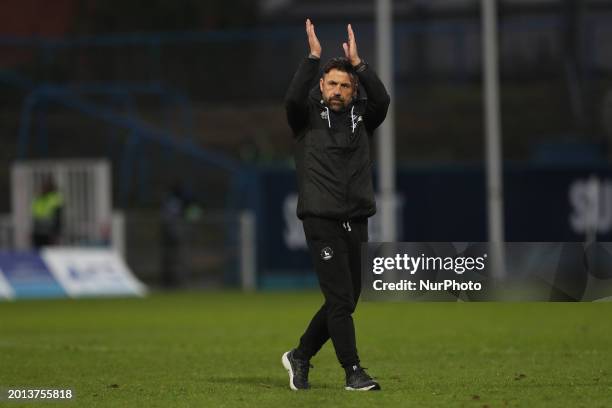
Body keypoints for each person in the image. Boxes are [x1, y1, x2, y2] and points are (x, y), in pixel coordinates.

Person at [281, 19, 390, 391]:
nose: (338, 91)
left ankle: (301, 355)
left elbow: (383, 101)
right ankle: (353, 371)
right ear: (322, 86)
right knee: (340, 299)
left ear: (352, 88)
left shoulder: (362, 118)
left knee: (345, 302)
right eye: (332, 84)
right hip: (320, 218)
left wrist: (359, 64)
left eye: (345, 85)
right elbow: (293, 99)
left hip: (356, 219)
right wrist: (313, 58)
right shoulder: (305, 118)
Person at [31, 176, 64, 248]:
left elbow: (58, 216)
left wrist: (56, 231)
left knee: (50, 250)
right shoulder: (39, 198)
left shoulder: (55, 198)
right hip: (38, 230)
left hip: (49, 231)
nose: (43, 188)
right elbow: (35, 215)